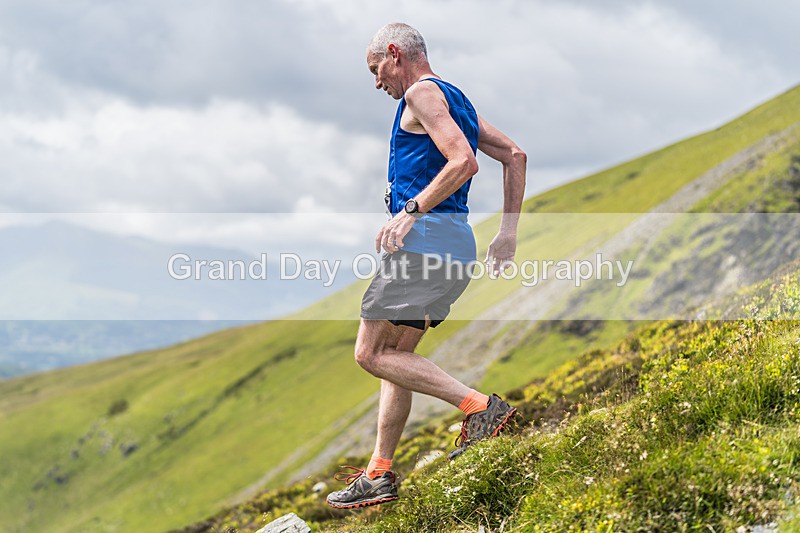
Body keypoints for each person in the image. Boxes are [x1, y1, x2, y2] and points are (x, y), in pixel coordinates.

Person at [326, 22, 527, 509]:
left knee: (370, 354)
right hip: (457, 245)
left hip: (424, 243)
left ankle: (480, 407)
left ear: (395, 54)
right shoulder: (457, 101)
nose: (378, 83)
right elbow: (514, 156)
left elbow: (463, 161)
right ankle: (379, 473)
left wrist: (409, 211)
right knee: (398, 359)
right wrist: (507, 232)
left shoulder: (420, 93)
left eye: (377, 70)